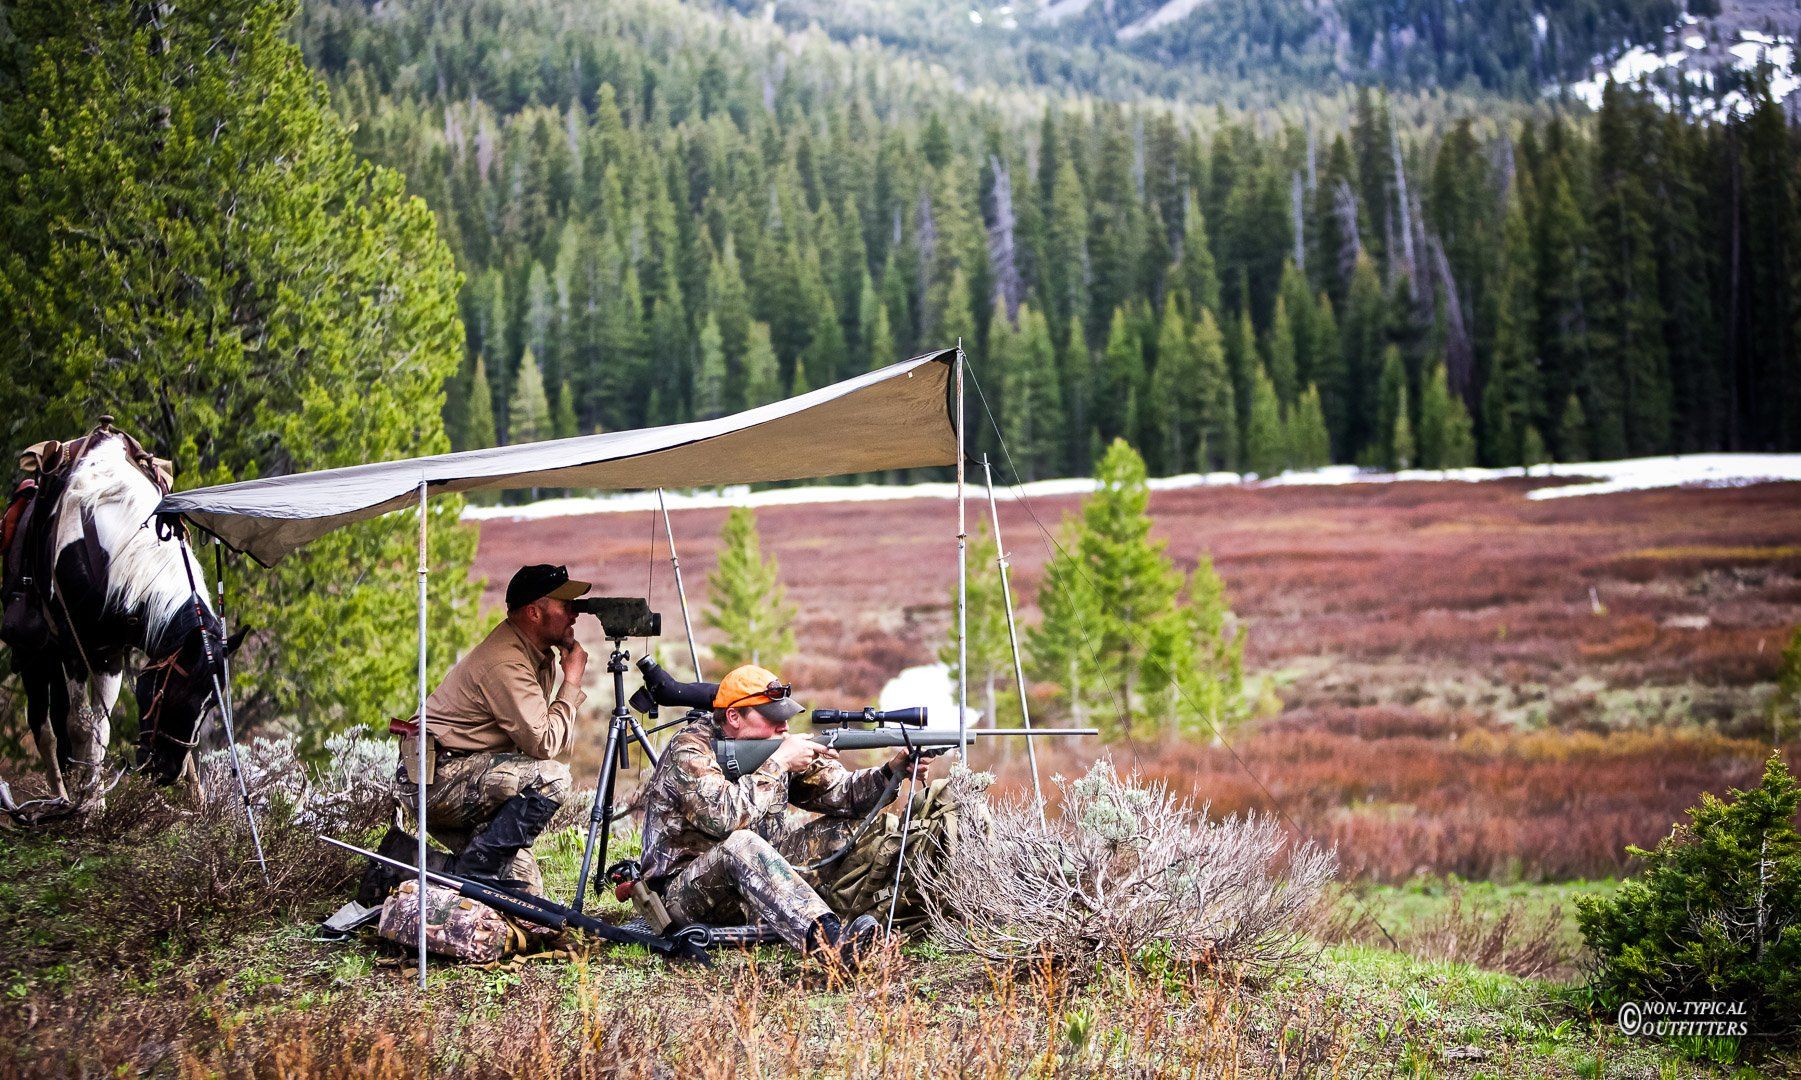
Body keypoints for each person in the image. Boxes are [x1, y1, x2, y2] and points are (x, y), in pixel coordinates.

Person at [638, 663, 928, 963]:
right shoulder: (689, 750)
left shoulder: (770, 746)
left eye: (785, 718)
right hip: (684, 897)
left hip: (758, 881)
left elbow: (844, 794)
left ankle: (883, 913)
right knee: (741, 843)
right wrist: (778, 763)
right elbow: (723, 817)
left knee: (846, 829)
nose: (784, 728)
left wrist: (891, 771)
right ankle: (833, 944)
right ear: (734, 717)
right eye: (772, 719)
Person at [403, 563, 591, 895]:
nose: (574, 615)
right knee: (552, 777)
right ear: (534, 613)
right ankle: (470, 871)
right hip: (435, 778)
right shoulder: (506, 661)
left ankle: (436, 870)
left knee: (524, 889)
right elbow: (544, 743)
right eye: (566, 606)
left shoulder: (536, 655)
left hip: (464, 774)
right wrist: (572, 681)